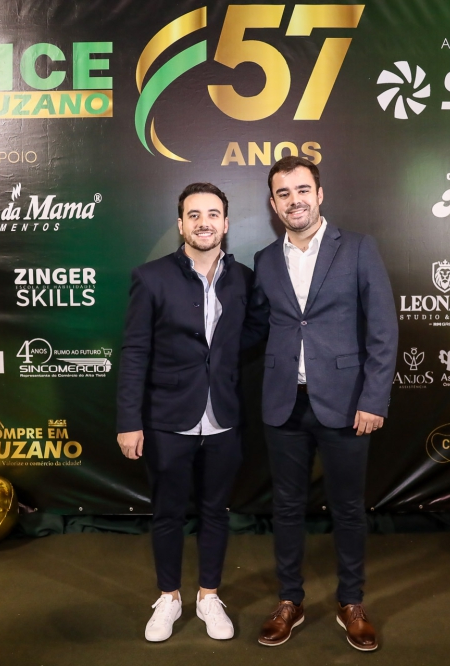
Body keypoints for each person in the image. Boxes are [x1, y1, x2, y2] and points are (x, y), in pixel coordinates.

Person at [246, 156, 398, 652]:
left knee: (349, 508)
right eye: (284, 193)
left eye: (302, 190)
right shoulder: (265, 260)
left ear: (320, 194)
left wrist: (373, 398)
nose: (295, 200)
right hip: (283, 404)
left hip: (347, 403)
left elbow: (382, 329)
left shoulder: (357, 248)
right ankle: (289, 601)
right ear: (273, 205)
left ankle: (351, 602)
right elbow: (259, 327)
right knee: (287, 507)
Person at [116, 183, 253, 642]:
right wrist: (129, 421)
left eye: (212, 214)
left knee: (216, 511)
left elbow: (250, 336)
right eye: (194, 215)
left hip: (224, 417)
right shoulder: (150, 277)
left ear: (225, 224)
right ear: (180, 225)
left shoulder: (244, 279)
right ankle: (169, 597)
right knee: (168, 513)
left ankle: (209, 595)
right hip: (166, 418)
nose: (203, 223)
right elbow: (135, 351)